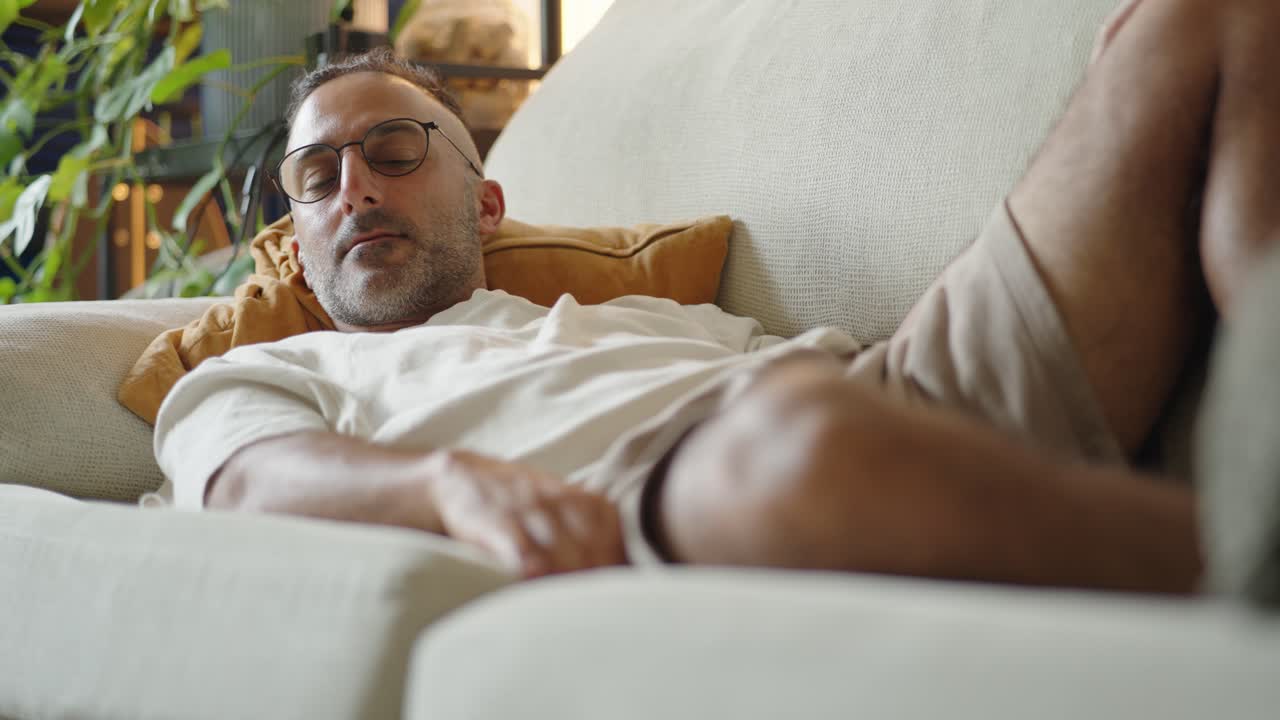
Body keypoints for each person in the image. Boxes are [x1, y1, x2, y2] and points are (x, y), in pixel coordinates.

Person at [153, 0, 1279, 593]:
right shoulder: (270, 371)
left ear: (486, 202)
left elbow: (839, 376)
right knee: (791, 438)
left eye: (394, 150)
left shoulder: (633, 315)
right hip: (694, 491)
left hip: (889, 390)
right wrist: (450, 487)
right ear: (294, 234)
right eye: (316, 176)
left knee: (1201, 21)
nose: (352, 188)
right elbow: (248, 480)